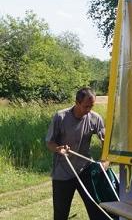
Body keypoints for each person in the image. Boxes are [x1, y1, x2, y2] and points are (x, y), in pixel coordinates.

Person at [45, 87, 109, 220]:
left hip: (85, 170)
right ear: (77, 102)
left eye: (91, 106)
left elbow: (107, 143)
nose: (89, 110)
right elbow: (50, 142)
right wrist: (59, 149)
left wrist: (105, 162)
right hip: (62, 173)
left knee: (96, 209)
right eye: (86, 106)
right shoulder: (61, 117)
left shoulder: (95, 118)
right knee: (61, 214)